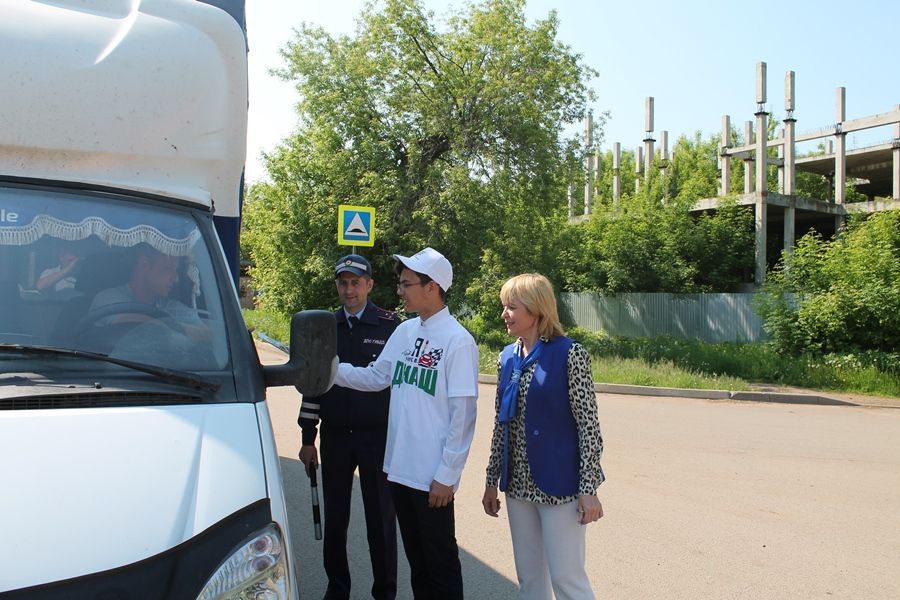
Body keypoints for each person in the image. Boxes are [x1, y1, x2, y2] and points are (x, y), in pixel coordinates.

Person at [333, 247, 479, 600]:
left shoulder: (458, 341)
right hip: (398, 470)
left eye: (406, 284)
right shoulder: (405, 332)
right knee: (418, 567)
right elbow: (375, 376)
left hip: (432, 478)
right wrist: (329, 371)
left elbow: (464, 416)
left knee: (440, 567)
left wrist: (448, 474)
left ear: (432, 287)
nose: (400, 291)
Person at [482, 273, 605, 600]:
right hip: (518, 485)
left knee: (567, 578)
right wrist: (492, 479)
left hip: (559, 486)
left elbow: (588, 426)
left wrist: (588, 488)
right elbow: (501, 423)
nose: (504, 314)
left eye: (511, 307)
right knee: (530, 580)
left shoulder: (570, 353)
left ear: (536, 310)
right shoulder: (506, 357)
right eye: (503, 306)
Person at [298, 254, 399, 600]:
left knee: (380, 522)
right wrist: (307, 437)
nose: (349, 289)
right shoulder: (325, 327)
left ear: (370, 285)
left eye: (356, 282)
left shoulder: (392, 326)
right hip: (336, 436)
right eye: (343, 282)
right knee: (336, 519)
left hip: (377, 437)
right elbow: (313, 384)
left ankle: (385, 591)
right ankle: (337, 588)